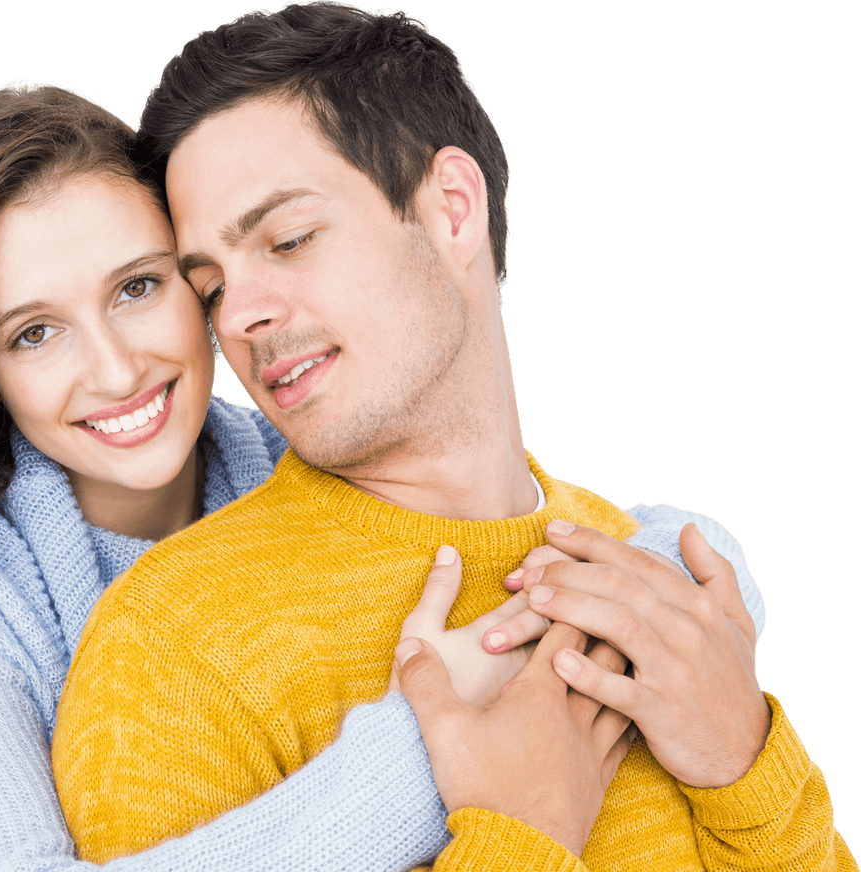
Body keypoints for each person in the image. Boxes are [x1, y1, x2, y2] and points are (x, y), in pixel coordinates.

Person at [0, 81, 749, 872]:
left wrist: (698, 567)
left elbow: (527, 518)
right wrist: (429, 752)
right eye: (34, 333)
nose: (116, 369)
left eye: (139, 286)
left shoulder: (312, 458)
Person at [51, 3, 856, 870]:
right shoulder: (175, 651)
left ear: (453, 208)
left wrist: (746, 765)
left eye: (289, 239)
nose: (240, 317)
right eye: (209, 287)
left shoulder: (651, 581)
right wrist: (520, 839)